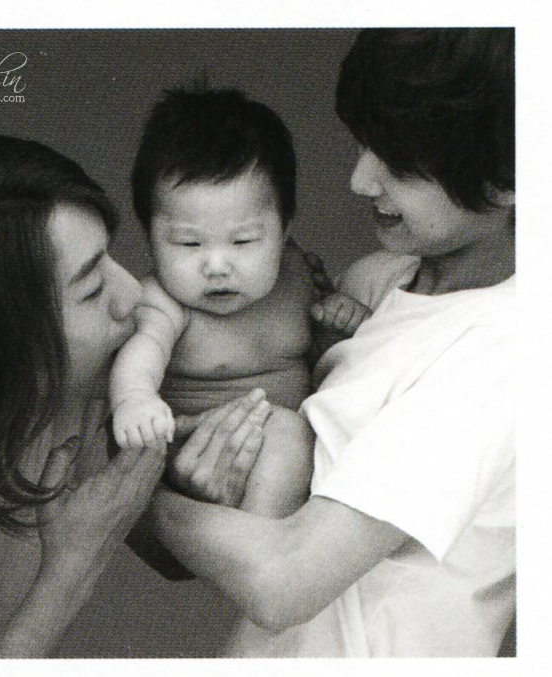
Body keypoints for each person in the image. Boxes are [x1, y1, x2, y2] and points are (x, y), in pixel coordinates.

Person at [148, 28, 515, 657]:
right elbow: (230, 550)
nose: (360, 179)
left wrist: (123, 490)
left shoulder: (505, 350)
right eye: (365, 145)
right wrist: (201, 490)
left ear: (508, 178)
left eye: (398, 161)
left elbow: (282, 583)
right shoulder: (380, 283)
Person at [0, 132, 270, 658]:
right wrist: (71, 568)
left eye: (109, 258)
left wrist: (185, 487)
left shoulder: (72, 395)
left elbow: (169, 554)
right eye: (91, 290)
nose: (134, 295)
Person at [110, 88, 370, 515]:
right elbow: (142, 355)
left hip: (293, 455)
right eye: (189, 243)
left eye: (244, 241)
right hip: (197, 450)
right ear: (149, 237)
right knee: (285, 429)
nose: (216, 266)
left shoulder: (297, 276)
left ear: (285, 230)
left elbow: (323, 363)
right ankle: (264, 539)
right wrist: (135, 400)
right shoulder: (163, 303)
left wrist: (335, 325)